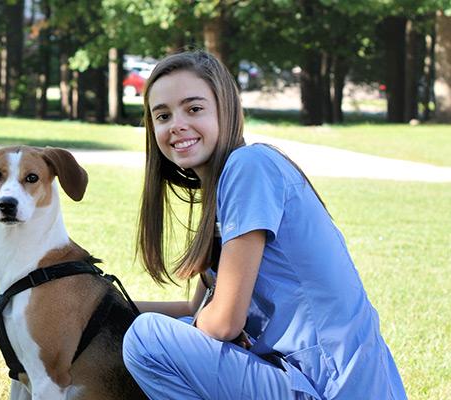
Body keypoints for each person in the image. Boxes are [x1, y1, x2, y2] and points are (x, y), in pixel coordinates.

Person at [121, 50, 407, 400]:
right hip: (310, 381)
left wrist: (193, 325)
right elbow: (197, 312)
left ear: (226, 110)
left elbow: (223, 322)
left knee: (145, 339)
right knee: (163, 330)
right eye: (162, 115)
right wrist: (104, 304)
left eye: (194, 109)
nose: (177, 124)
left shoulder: (249, 166)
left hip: (336, 387)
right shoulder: (224, 193)